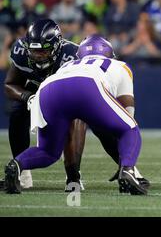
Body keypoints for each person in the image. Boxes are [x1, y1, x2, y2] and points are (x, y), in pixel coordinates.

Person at [4, 35, 148, 195]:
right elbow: (128, 114)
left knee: (48, 152)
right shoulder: (119, 65)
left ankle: (16, 165)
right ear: (109, 54)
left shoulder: (70, 63)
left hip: (47, 89)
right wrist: (125, 159)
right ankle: (127, 171)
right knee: (130, 128)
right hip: (87, 85)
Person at [1, 18, 81, 191]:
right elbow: (9, 84)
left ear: (57, 47)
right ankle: (21, 174)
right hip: (35, 93)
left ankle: (74, 174)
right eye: (34, 51)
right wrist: (27, 97)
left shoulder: (72, 55)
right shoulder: (21, 50)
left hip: (64, 98)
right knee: (16, 112)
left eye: (43, 51)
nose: (38, 56)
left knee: (78, 124)